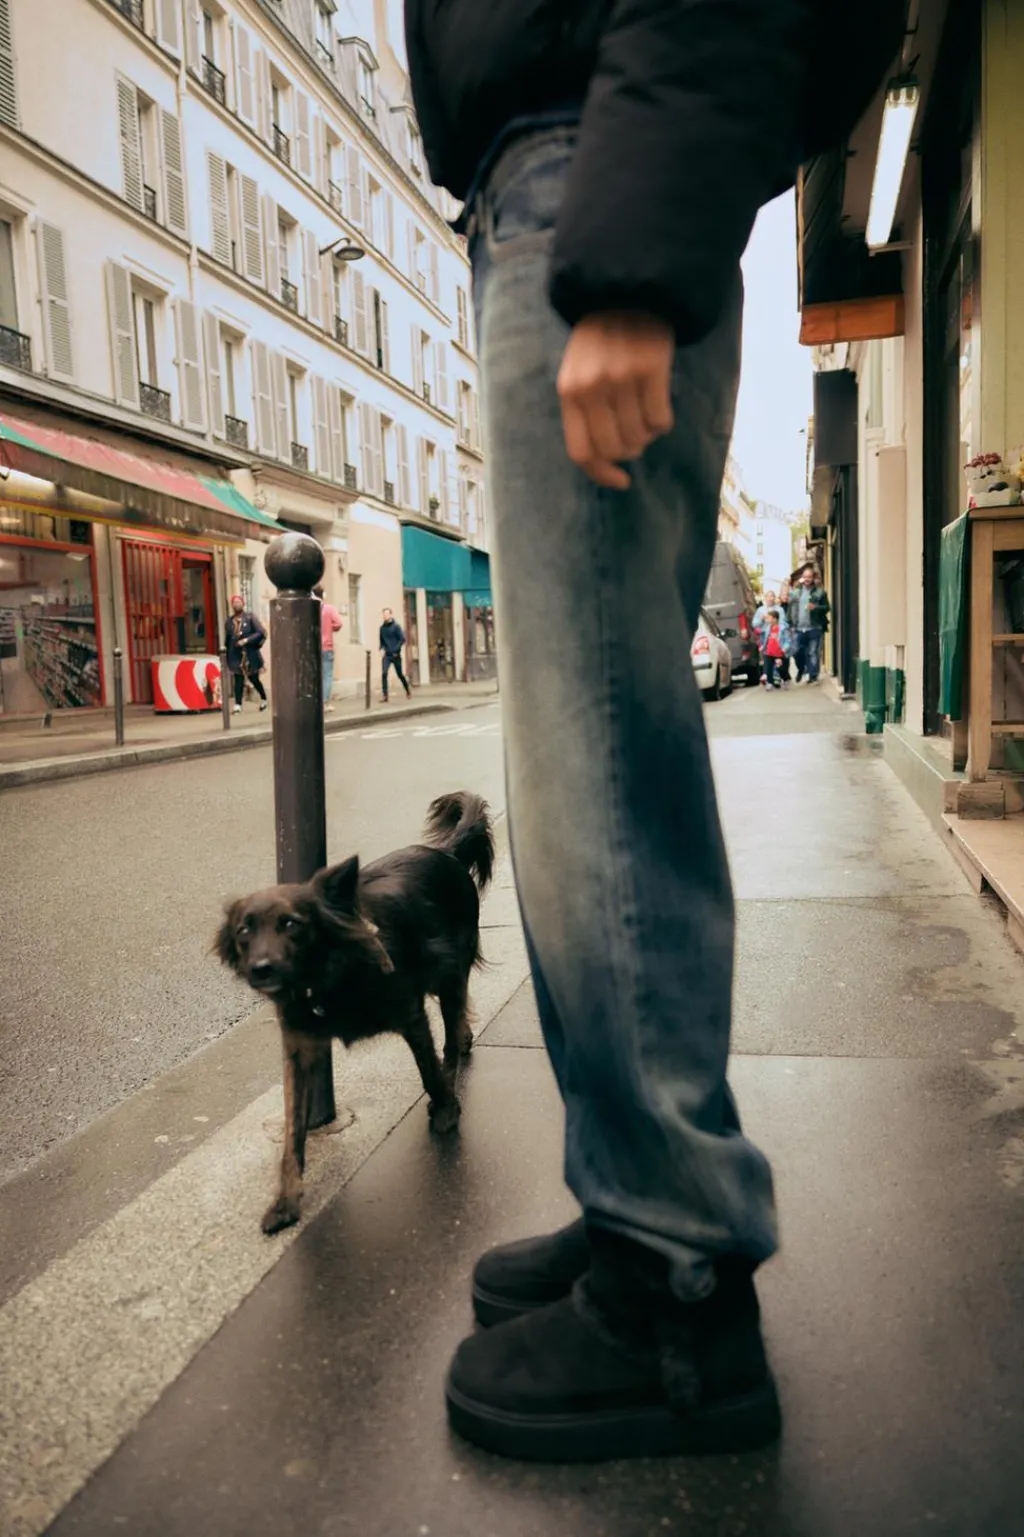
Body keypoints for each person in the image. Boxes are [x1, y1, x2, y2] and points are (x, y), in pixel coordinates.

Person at [405, 0, 904, 1464]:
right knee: (575, 763)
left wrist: (623, 259)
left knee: (598, 756)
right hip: (568, 176)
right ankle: (633, 1188)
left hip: (591, 174)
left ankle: (673, 1280)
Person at [788, 563, 830, 684]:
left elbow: (827, 608)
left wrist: (815, 607)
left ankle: (813, 675)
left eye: (809, 577)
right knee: (795, 651)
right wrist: (789, 623)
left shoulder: (820, 592)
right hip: (798, 628)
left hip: (814, 627)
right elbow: (791, 610)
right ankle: (802, 669)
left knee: (812, 652)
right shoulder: (795, 593)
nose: (807, 579)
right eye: (805, 576)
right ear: (802, 577)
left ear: (813, 578)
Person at [224, 595, 267, 713]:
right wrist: (226, 655)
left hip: (250, 654)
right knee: (238, 679)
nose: (237, 604)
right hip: (236, 655)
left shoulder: (250, 617)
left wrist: (246, 640)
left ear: (243, 604)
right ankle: (238, 705)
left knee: (254, 679)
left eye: (239, 602)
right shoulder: (229, 621)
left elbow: (260, 632)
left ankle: (263, 698)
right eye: (234, 602)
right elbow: (228, 639)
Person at [315, 585, 343, 712]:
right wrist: (329, 628)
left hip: (313, 648)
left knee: (315, 676)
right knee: (327, 676)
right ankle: (325, 703)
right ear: (323, 594)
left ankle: (315, 702)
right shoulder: (329, 609)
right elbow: (339, 623)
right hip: (327, 647)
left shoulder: (310, 608)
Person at [379, 607, 411, 702]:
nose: (385, 616)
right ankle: (385, 695)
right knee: (384, 673)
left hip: (396, 655)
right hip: (387, 655)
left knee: (400, 674)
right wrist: (381, 649)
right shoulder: (382, 628)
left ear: (391, 615)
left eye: (387, 614)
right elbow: (381, 641)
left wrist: (396, 650)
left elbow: (402, 639)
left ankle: (408, 690)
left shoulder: (396, 626)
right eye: (384, 614)